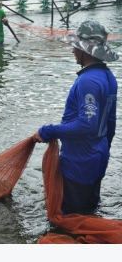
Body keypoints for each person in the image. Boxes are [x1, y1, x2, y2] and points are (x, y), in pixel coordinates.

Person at [33, 20, 119, 215]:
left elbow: (87, 124)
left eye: (76, 46)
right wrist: (103, 151)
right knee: (89, 212)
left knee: (71, 218)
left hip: (79, 162)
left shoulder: (87, 81)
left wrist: (48, 131)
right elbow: (110, 122)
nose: (73, 50)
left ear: (86, 50)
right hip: (97, 158)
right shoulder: (108, 76)